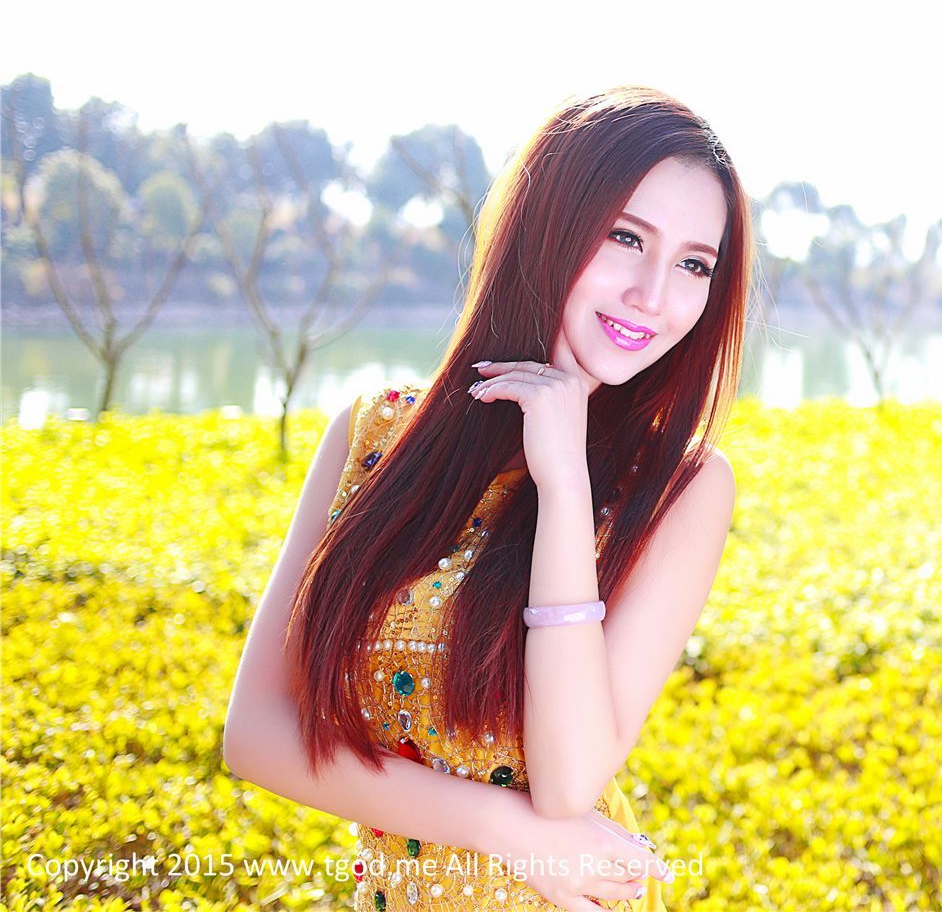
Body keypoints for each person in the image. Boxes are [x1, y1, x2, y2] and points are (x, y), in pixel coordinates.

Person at [222, 85, 753, 911]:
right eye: (625, 237)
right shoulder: (372, 436)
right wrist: (506, 831)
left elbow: (571, 778)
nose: (656, 293)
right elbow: (256, 736)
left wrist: (565, 484)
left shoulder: (684, 486)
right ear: (547, 227)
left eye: (693, 264)